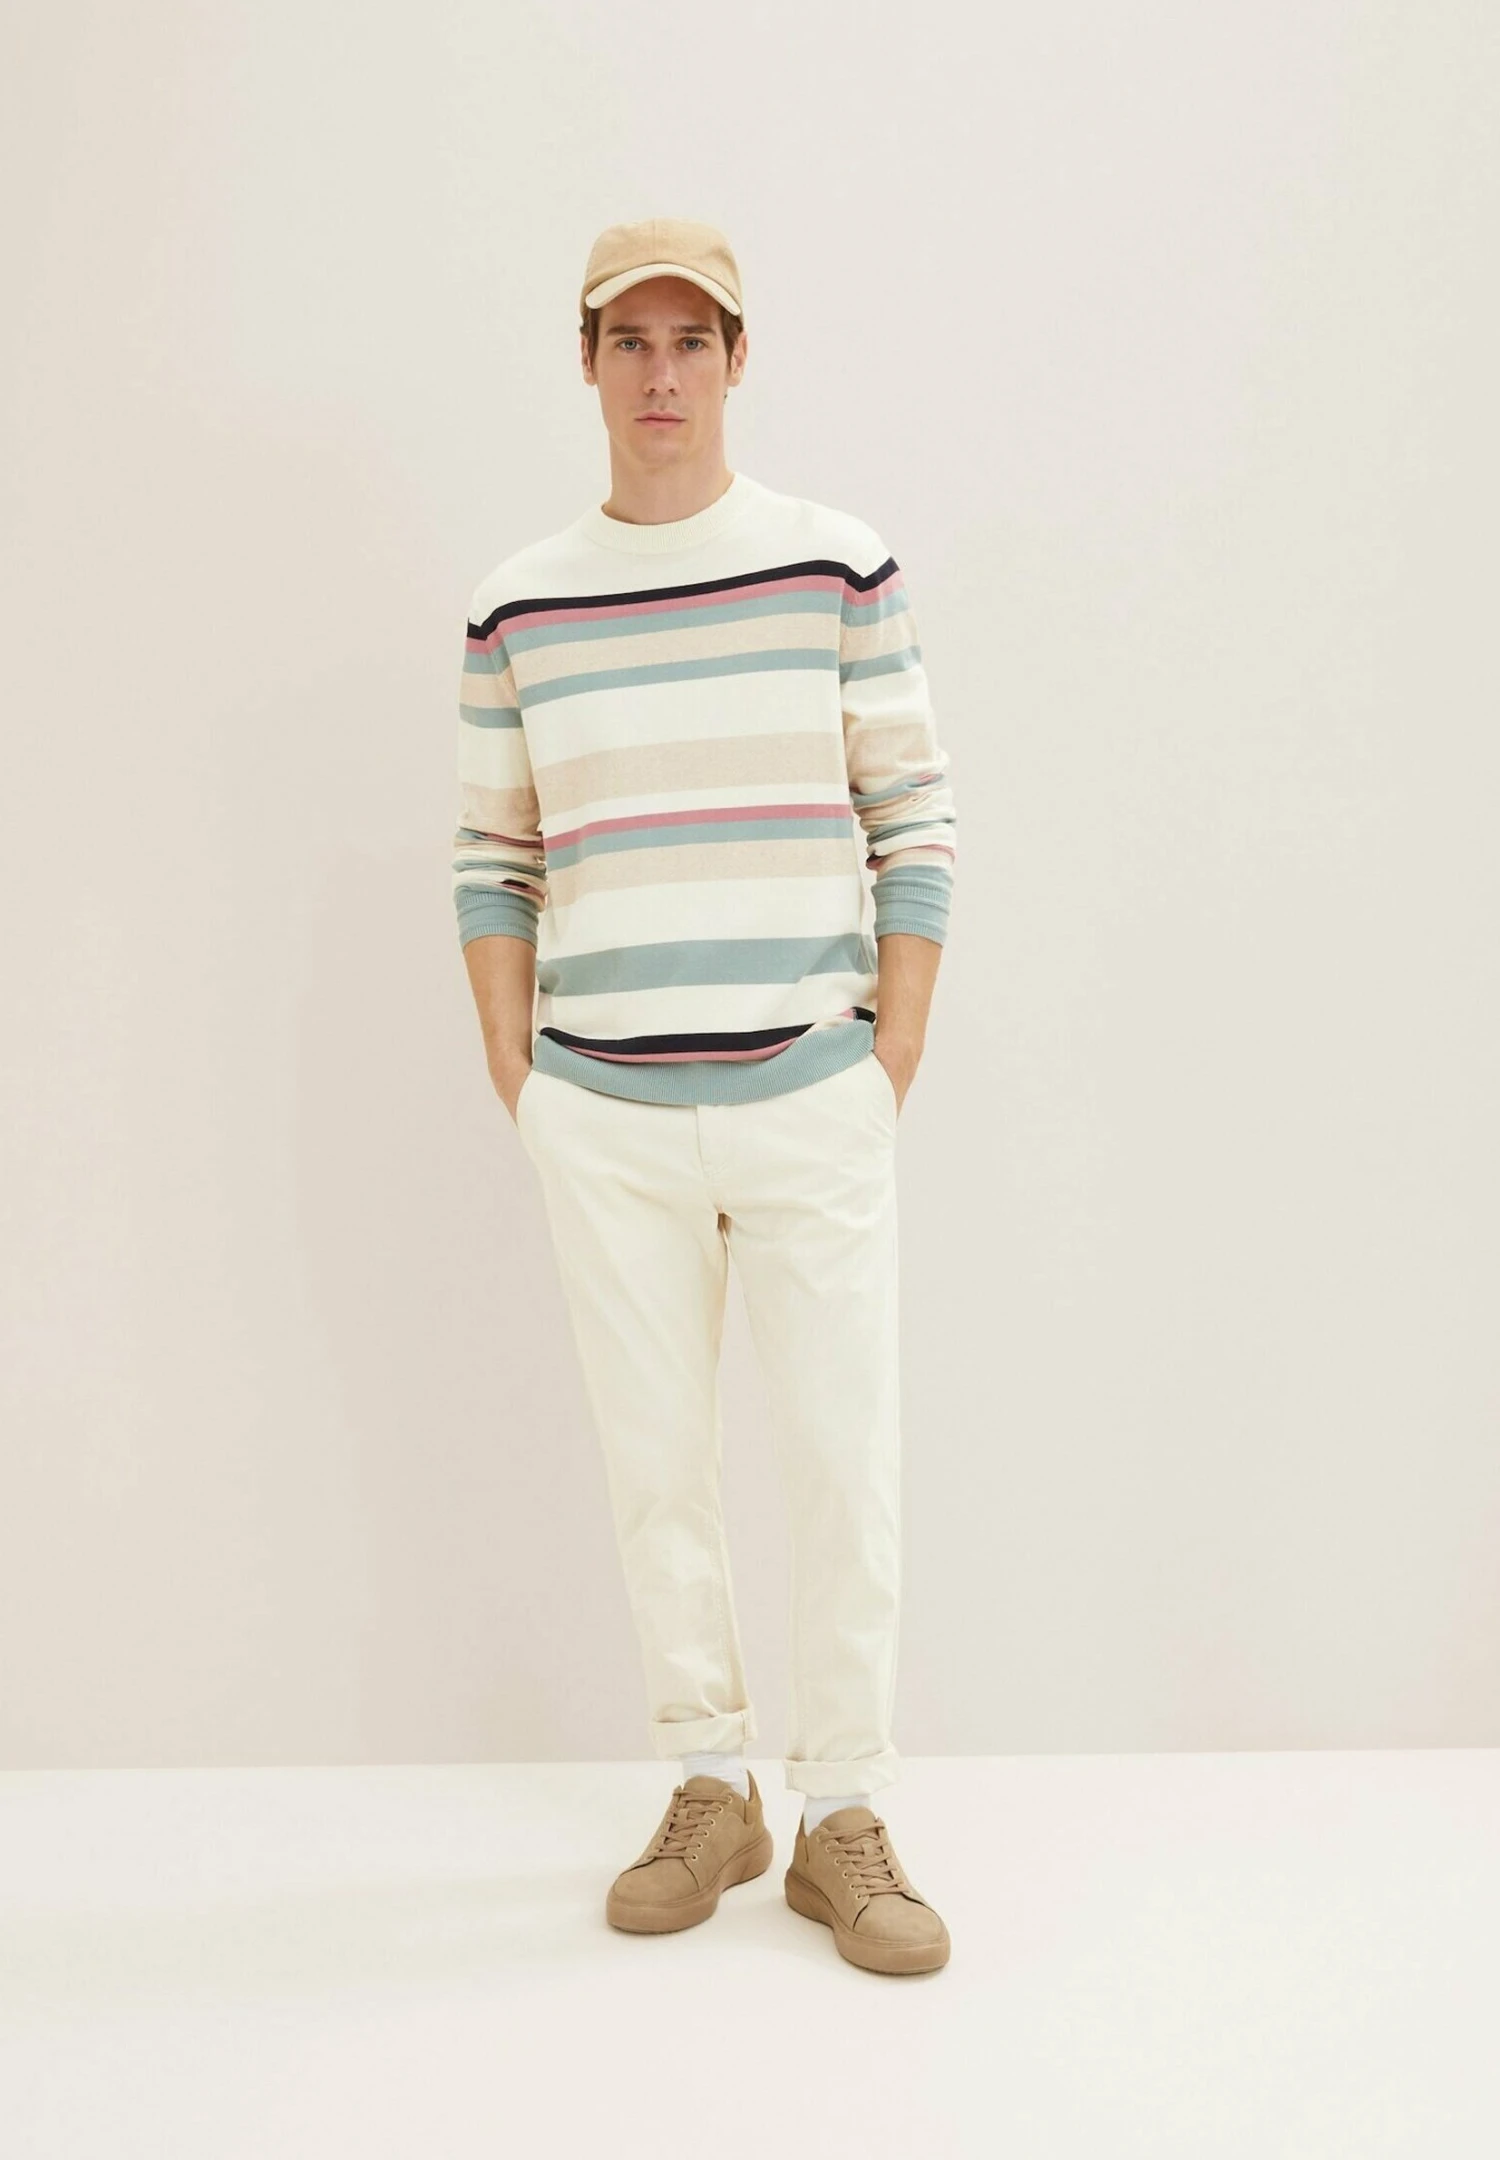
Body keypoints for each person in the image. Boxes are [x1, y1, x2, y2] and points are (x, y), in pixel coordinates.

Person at [452, 218, 957, 1975]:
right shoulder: (520, 603)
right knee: (654, 1464)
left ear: (738, 360)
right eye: (630, 341)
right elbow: (494, 855)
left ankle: (845, 1815)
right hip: (601, 1110)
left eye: (692, 341)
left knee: (843, 1461)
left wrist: (889, 1057)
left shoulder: (836, 563)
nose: (660, 373)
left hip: (812, 1089)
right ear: (588, 362)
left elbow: (914, 813)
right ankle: (709, 1786)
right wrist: (521, 1080)